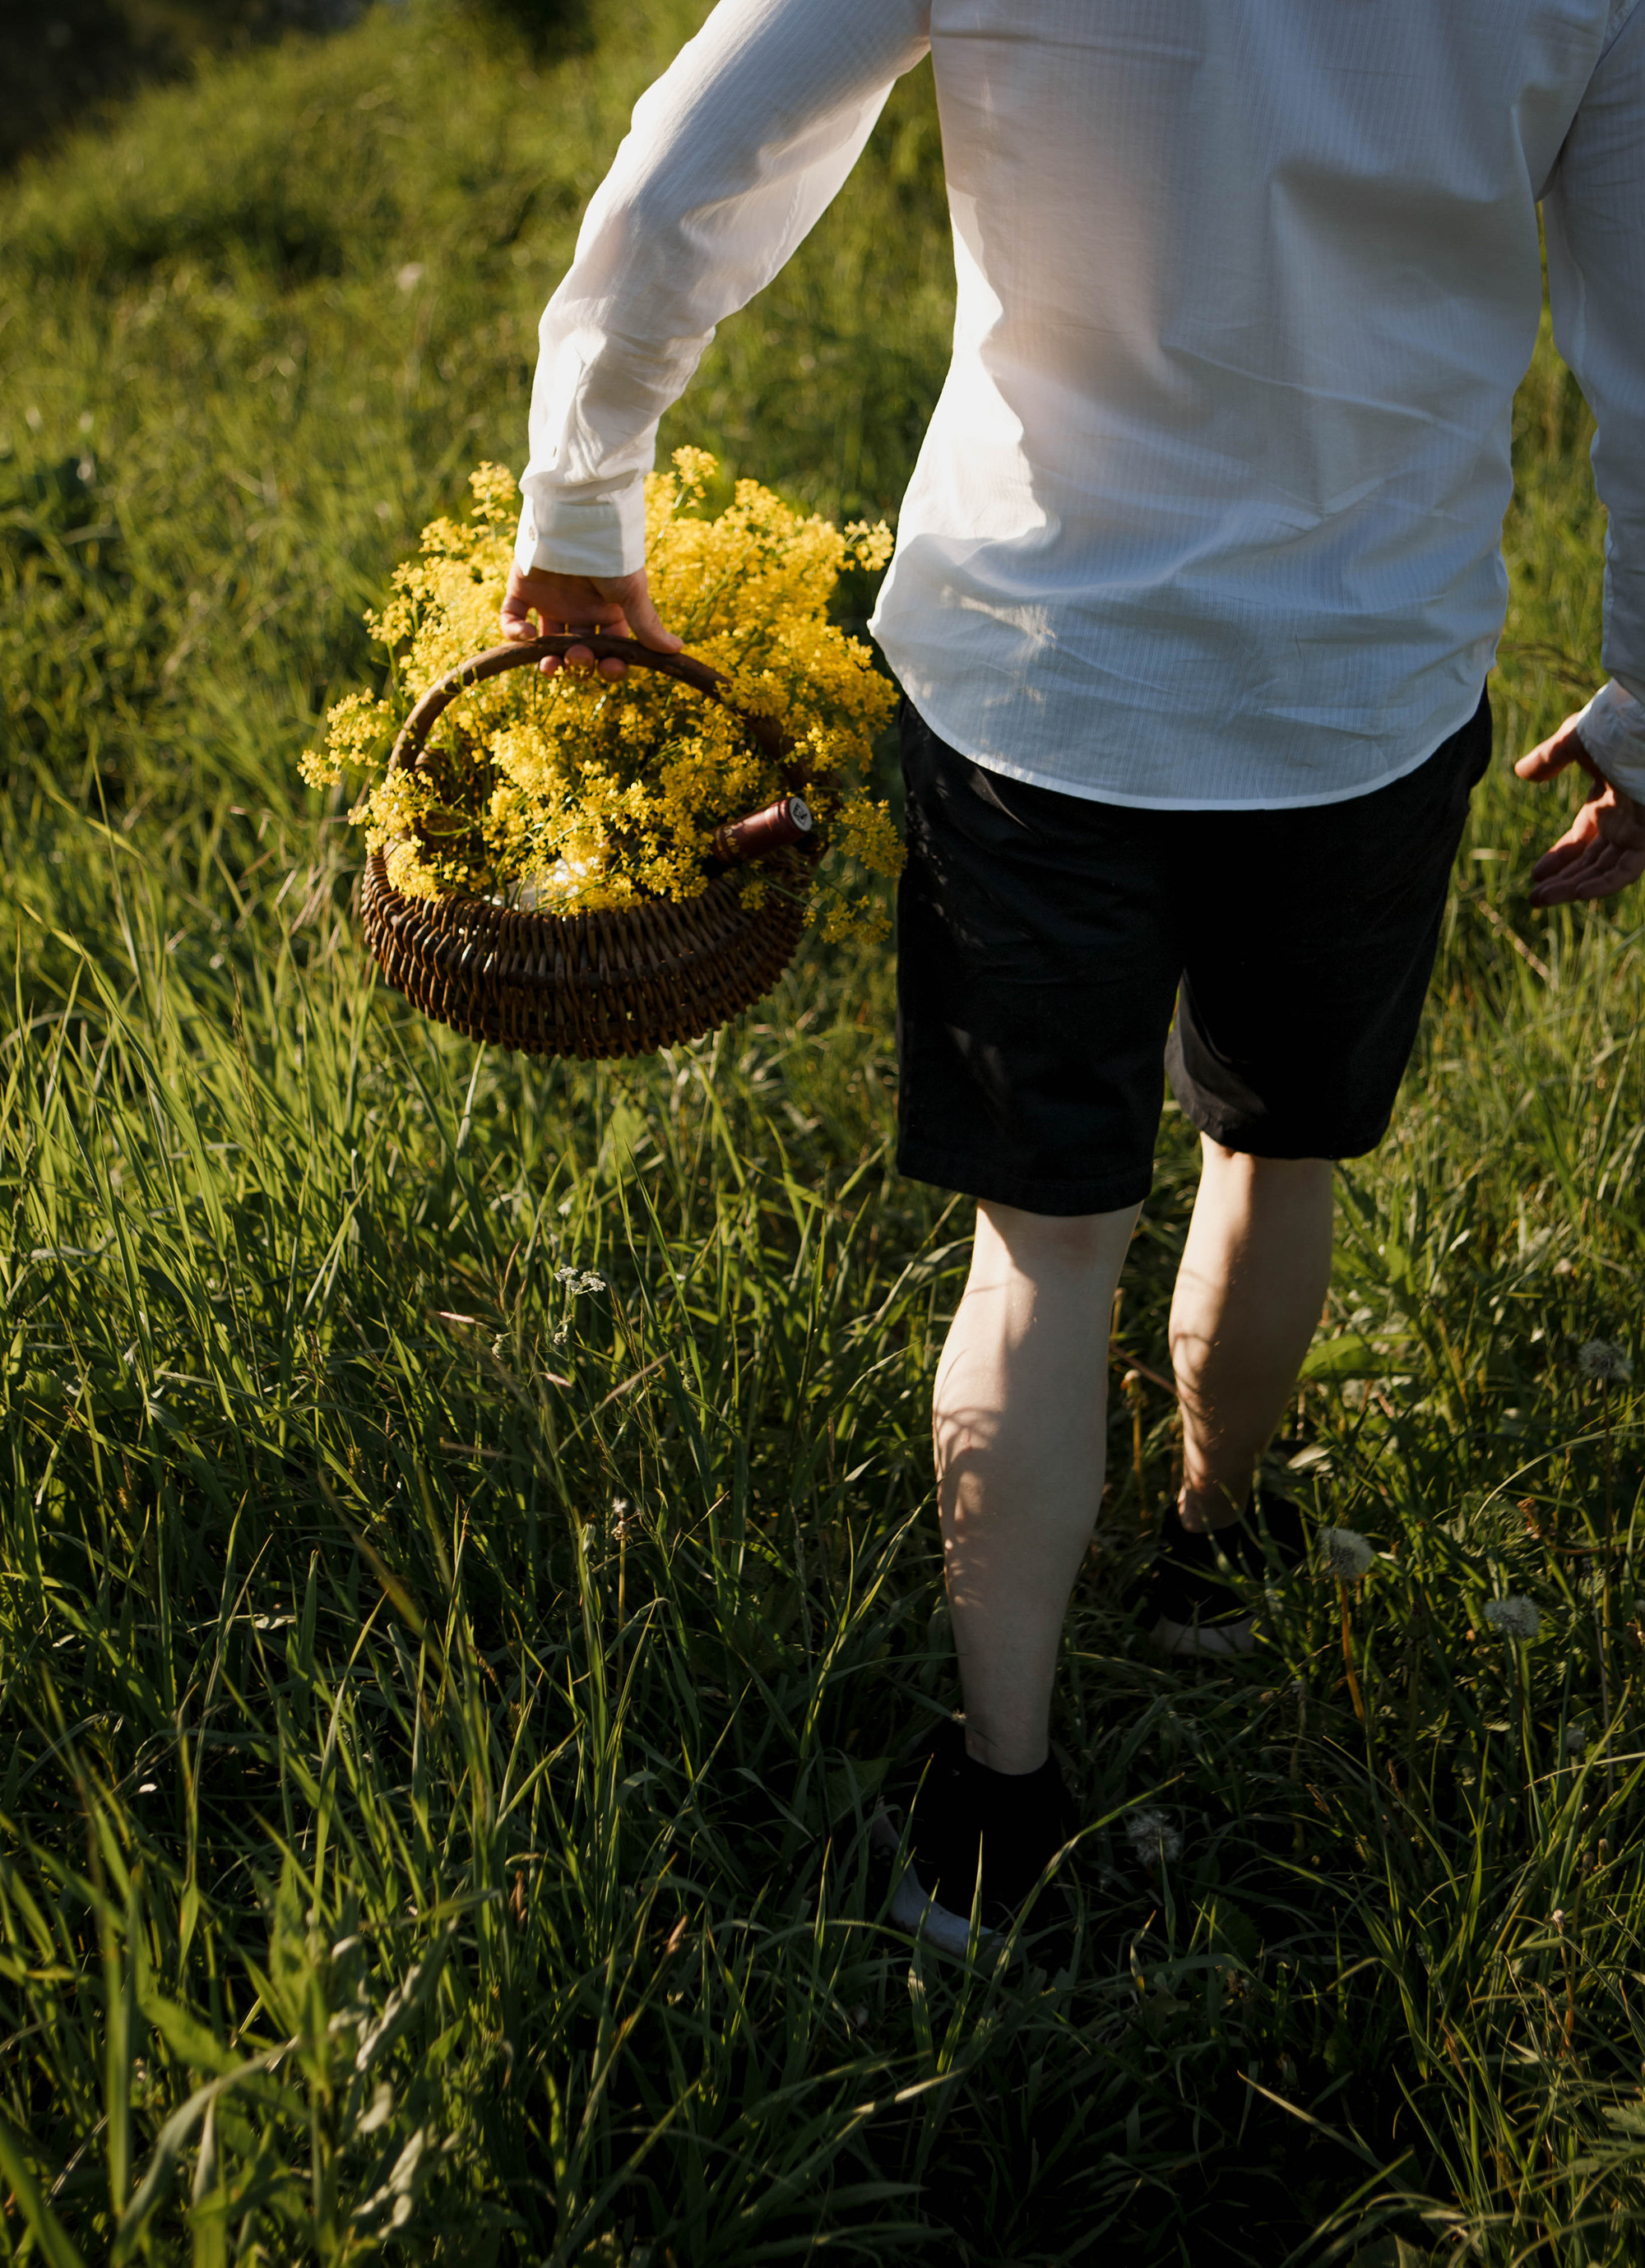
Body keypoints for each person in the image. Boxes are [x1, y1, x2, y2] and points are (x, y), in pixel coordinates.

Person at [499, 0, 1645, 1956]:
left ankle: (993, 1801)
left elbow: (704, 152)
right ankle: (1211, 1554)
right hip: (1363, 687)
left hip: (1036, 678)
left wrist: (585, 489)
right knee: (1279, 1164)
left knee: (1042, 1252)